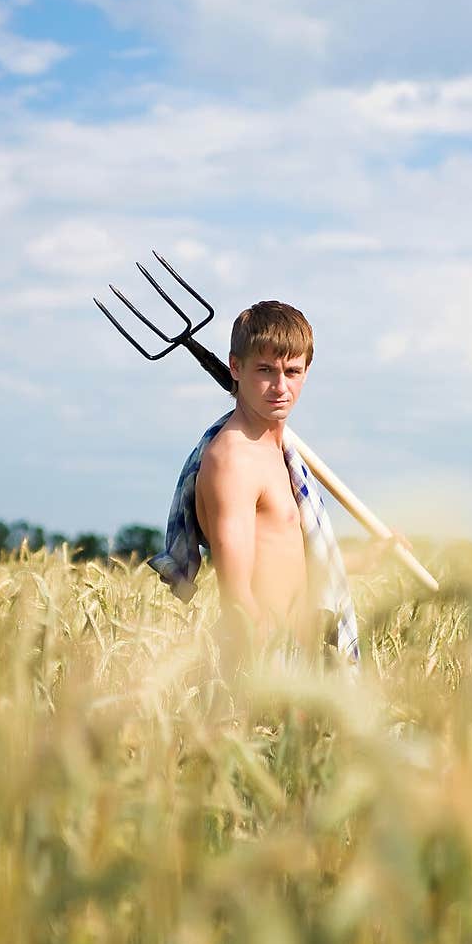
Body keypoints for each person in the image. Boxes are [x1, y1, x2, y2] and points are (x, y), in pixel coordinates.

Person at [148, 300, 359, 700]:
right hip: (263, 676)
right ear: (235, 368)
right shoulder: (234, 460)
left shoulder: (278, 453)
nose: (281, 387)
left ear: (306, 373)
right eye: (265, 371)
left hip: (300, 666)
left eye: (292, 372)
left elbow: (293, 564)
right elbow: (239, 593)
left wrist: (377, 554)